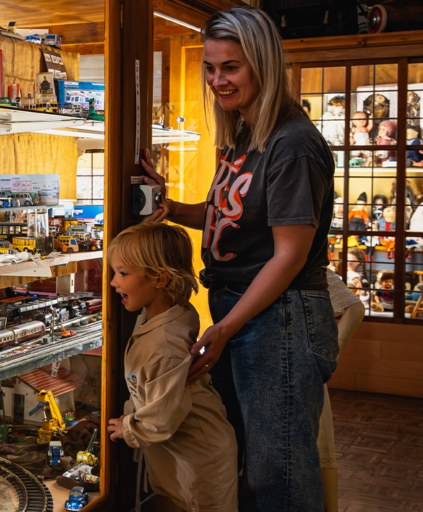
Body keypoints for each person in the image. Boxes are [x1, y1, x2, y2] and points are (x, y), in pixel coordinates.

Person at [139, 6, 339, 510]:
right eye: (210, 67)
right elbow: (230, 216)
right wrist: (170, 207)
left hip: (281, 318)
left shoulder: (292, 144)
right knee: (243, 461)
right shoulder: (247, 131)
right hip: (244, 311)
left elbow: (288, 256)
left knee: (280, 477)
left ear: (263, 65)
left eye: (230, 67)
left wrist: (224, 329)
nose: (216, 80)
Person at [105, 223, 238, 512]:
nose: (113, 282)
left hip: (201, 461)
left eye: (123, 274)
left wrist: (128, 427)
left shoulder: (164, 345)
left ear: (160, 279)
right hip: (180, 456)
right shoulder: (165, 314)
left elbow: (162, 418)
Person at [317, 269, 365, 512]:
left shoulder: (311, 265)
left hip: (307, 367)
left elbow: (355, 308)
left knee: (321, 442)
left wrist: (330, 353)